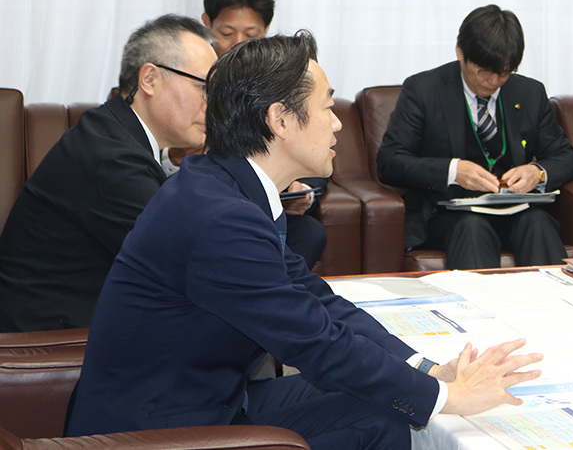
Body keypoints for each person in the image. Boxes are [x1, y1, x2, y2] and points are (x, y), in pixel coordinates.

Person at [67, 32, 543, 447]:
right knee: (383, 417)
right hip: (156, 429)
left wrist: (427, 370)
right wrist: (447, 398)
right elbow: (314, 343)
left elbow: (318, 301)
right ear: (281, 120)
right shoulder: (220, 216)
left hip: (202, 396)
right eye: (327, 107)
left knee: (380, 403)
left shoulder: (226, 185)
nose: (337, 123)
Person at [0, 15, 215, 332]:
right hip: (53, 334)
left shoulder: (114, 133)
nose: (211, 105)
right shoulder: (111, 157)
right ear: (150, 79)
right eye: (203, 88)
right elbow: (190, 259)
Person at [377, 4, 573, 270]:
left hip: (515, 209)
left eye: (505, 72)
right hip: (449, 214)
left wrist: (537, 172)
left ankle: (554, 307)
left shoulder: (529, 92)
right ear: (460, 52)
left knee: (538, 222)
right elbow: (390, 161)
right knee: (472, 228)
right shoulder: (423, 90)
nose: (493, 81)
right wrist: (453, 171)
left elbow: (567, 157)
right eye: (484, 70)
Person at [196, 0, 326, 268]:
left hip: (265, 208)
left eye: (250, 33)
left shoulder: (281, 81)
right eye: (226, 33)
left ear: (266, 30)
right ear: (207, 23)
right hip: (211, 207)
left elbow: (312, 146)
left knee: (308, 233)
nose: (237, 44)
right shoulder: (187, 79)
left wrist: (299, 188)